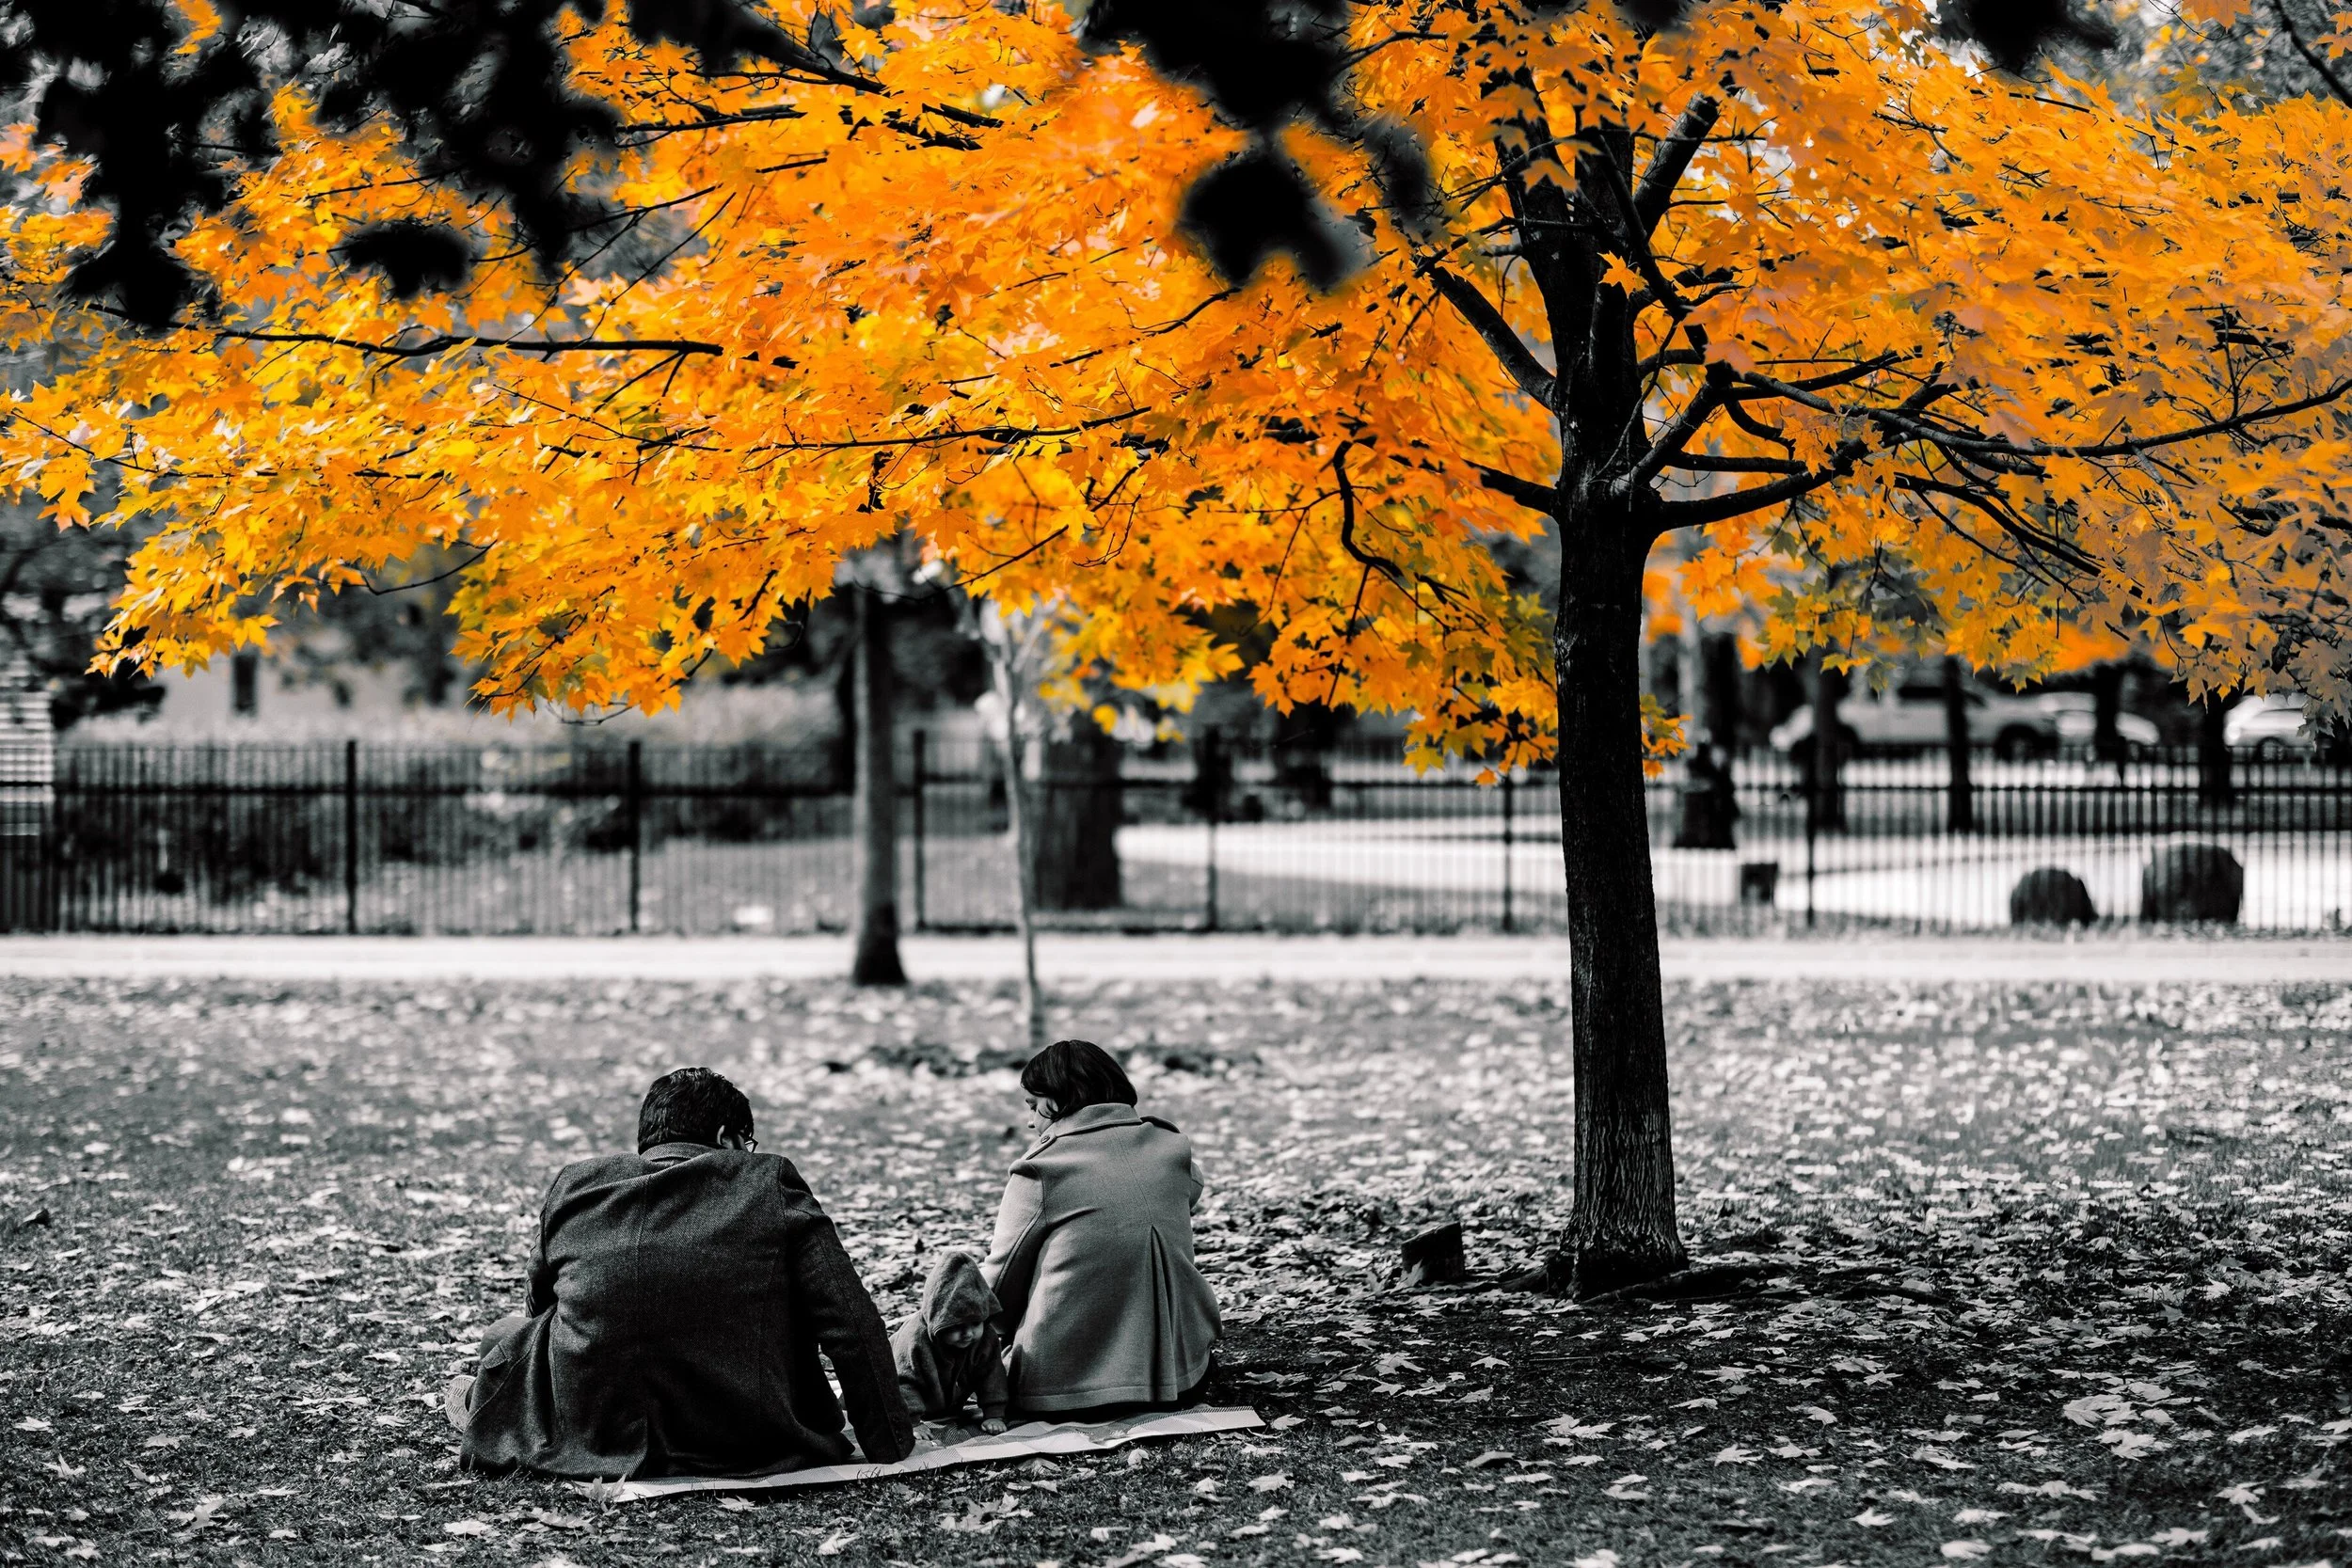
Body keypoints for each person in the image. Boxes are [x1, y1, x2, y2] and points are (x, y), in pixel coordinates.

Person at [452, 1068, 914, 1478]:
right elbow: (849, 1321)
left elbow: (541, 1305)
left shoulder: (576, 1183)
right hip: (749, 1438)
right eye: (746, 1144)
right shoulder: (767, 1180)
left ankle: (485, 1406)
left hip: (594, 1437)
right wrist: (889, 1443)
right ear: (725, 1138)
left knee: (506, 1335)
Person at [981, 1039, 1221, 1418]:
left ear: (1062, 1098)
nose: (1030, 1122)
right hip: (1184, 1377)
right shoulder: (1172, 1146)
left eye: (1033, 1106)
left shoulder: (1042, 1168)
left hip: (1066, 1391)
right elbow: (1187, 1196)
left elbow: (998, 1284)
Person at [891, 1251, 1009, 1433]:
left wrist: (994, 1413)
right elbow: (903, 1382)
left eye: (975, 1323)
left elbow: (992, 1374)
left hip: (946, 1402)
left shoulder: (985, 1336)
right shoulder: (915, 1339)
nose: (968, 1333)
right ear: (938, 1319)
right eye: (957, 1326)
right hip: (903, 1397)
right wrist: (912, 1422)